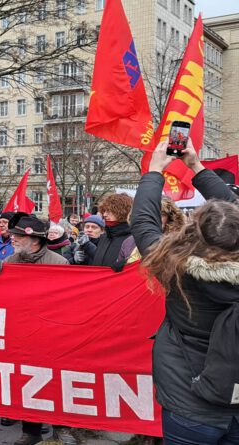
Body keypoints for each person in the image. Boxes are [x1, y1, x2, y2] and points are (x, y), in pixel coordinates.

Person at [132, 141, 239, 444]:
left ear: (191, 233)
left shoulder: (174, 264)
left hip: (190, 402)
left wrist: (155, 170)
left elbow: (142, 221)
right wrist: (197, 166)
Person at [0, 213, 71, 445]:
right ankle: (30, 430)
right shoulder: (11, 262)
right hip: (21, 333)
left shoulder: (59, 263)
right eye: (13, 235)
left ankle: (61, 428)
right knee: (25, 382)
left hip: (49, 334)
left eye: (18, 236)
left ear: (34, 240)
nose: (12, 239)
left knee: (53, 383)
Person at [89, 193, 135, 270]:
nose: (104, 214)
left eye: (109, 211)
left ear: (123, 212)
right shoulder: (104, 237)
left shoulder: (132, 239)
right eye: (104, 211)